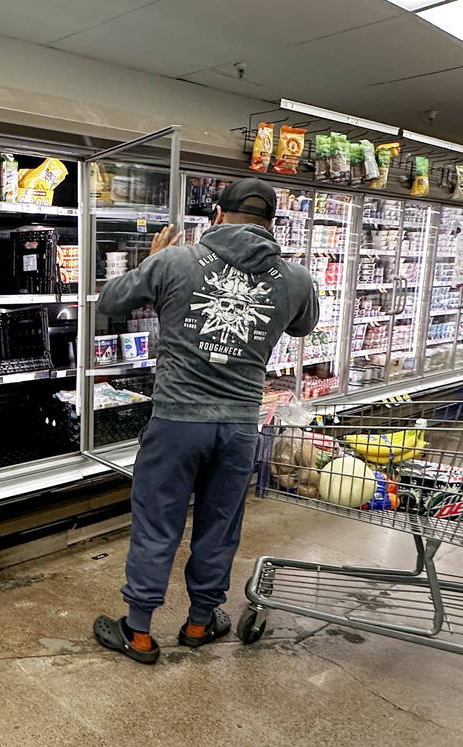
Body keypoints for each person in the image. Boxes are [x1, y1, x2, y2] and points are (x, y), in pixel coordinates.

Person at [92, 178, 319, 664]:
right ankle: (200, 622)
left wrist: (151, 261)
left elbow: (111, 301)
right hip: (240, 424)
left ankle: (138, 632)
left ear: (216, 214)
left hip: (177, 419)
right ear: (271, 224)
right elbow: (304, 324)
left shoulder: (176, 260)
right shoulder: (296, 278)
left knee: (157, 522)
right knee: (220, 525)